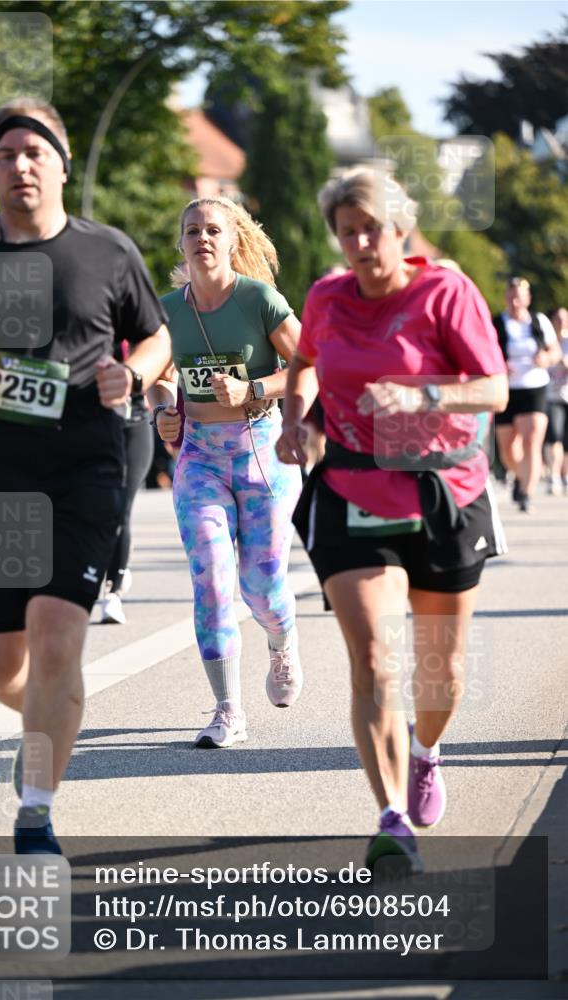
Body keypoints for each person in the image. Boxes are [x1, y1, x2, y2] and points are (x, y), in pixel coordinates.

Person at [0, 98, 171, 853]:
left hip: (82, 470)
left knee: (58, 638)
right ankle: (42, 720)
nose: (19, 166)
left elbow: (154, 337)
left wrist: (133, 373)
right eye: (5, 155)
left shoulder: (107, 252)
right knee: (3, 669)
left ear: (58, 163)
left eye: (33, 153)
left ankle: (35, 809)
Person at [276, 167, 509, 873]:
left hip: (443, 491)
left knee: (439, 675)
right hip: (352, 485)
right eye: (347, 232)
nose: (359, 244)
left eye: (370, 229)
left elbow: (493, 388)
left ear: (399, 228)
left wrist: (423, 396)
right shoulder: (325, 296)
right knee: (373, 659)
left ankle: (425, 750)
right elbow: (306, 363)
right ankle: (389, 818)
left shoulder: (445, 290)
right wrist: (295, 420)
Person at [149, 196, 303, 748]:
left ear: (233, 239)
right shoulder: (166, 309)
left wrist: (255, 389)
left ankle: (281, 643)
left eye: (214, 229)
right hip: (199, 459)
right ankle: (227, 709)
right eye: (192, 230)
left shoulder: (259, 299)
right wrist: (164, 409)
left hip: (262, 452)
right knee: (212, 579)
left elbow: (313, 365)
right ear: (181, 243)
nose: (203, 238)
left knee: (261, 588)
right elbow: (161, 373)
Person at [94, 341, 155, 625]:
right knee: (94, 507)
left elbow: (164, 361)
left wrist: (164, 407)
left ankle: (112, 593)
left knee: (121, 505)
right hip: (92, 424)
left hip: (134, 422)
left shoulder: (138, 315)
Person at [493, 277, 561, 512]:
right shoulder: (496, 323)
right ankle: (520, 476)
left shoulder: (539, 321)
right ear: (506, 298)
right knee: (509, 450)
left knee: (532, 440)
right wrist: (499, 364)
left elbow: (555, 351)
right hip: (506, 388)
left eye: (520, 297)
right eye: (511, 296)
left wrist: (546, 358)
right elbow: (485, 353)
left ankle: (525, 493)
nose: (515, 301)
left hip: (535, 385)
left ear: (528, 299)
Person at [544, 307, 568, 495]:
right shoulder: (547, 341)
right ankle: (554, 476)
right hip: (552, 397)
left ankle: (565, 474)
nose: (561, 322)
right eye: (557, 318)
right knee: (554, 437)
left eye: (564, 318)